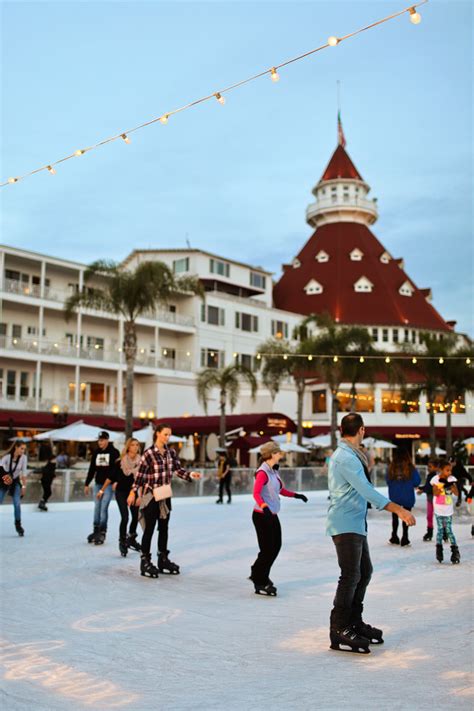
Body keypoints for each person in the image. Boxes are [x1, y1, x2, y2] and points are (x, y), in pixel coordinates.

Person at [327, 413, 416, 654]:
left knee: (363, 572)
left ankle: (354, 621)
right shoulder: (345, 457)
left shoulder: (352, 455)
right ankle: (339, 628)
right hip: (345, 523)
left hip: (355, 522)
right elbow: (366, 490)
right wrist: (398, 509)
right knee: (350, 575)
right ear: (362, 430)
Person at [128, 424, 201, 578]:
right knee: (149, 529)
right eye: (165, 434)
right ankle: (145, 561)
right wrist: (133, 492)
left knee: (164, 528)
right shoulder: (148, 453)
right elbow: (140, 476)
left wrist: (189, 475)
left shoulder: (171, 452)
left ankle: (163, 558)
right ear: (158, 434)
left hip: (165, 495)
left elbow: (177, 470)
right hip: (151, 496)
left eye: (169, 434)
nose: (168, 437)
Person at [249, 441, 308, 597]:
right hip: (262, 515)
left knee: (276, 546)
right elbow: (256, 493)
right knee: (267, 549)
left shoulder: (273, 471)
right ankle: (259, 579)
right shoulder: (262, 472)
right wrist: (264, 506)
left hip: (272, 514)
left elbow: (280, 490)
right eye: (278, 452)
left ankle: (259, 573)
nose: (281, 455)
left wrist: (296, 495)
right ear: (272, 454)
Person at [97, 437, 142, 557]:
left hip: (134, 492)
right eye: (133, 445)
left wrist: (140, 495)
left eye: (137, 445)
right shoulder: (120, 462)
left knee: (136, 516)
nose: (135, 447)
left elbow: (143, 480)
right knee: (125, 517)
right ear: (128, 447)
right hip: (121, 492)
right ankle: (122, 541)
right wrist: (101, 490)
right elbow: (110, 477)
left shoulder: (141, 462)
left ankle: (131, 537)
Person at [84, 431, 120, 545]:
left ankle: (103, 532)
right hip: (98, 483)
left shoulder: (114, 452)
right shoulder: (96, 452)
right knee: (97, 507)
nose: (100, 442)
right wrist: (86, 483)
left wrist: (116, 481)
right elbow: (92, 469)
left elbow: (117, 470)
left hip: (108, 485)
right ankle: (96, 530)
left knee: (104, 508)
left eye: (102, 440)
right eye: (99, 440)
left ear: (107, 440)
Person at [386, 449, 421, 546]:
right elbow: (417, 481)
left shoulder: (391, 468)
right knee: (406, 516)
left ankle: (394, 536)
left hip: (395, 496)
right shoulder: (411, 468)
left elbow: (387, 480)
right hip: (407, 496)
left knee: (395, 517)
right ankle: (405, 537)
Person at [430, 459, 460, 564]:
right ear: (441, 470)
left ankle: (455, 551)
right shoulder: (435, 479)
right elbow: (435, 493)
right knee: (440, 531)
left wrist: (451, 485)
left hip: (448, 510)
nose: (450, 473)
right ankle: (439, 550)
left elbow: (456, 493)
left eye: (450, 470)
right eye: (447, 470)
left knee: (449, 530)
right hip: (438, 509)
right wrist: (443, 485)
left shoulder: (452, 479)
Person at [0, 441, 28, 536]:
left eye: (24, 449)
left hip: (15, 481)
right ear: (16, 447)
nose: (23, 451)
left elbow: (24, 473)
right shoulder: (7, 457)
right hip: (5, 481)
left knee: (17, 503)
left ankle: (18, 525)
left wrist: (24, 486)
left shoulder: (24, 458)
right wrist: (4, 476)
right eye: (21, 448)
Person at [416, 457, 438, 541]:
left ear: (436, 467)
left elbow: (431, 488)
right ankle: (429, 532)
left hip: (436, 500)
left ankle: (444, 532)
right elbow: (428, 486)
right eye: (428, 466)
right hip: (430, 499)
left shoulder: (436, 476)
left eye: (430, 466)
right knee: (429, 516)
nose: (429, 468)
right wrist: (421, 488)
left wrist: (422, 490)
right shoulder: (429, 476)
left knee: (439, 516)